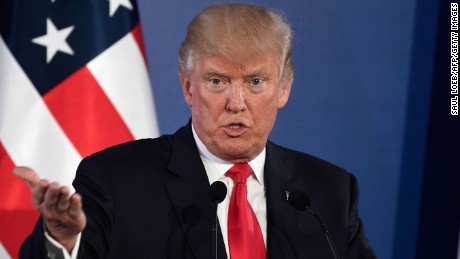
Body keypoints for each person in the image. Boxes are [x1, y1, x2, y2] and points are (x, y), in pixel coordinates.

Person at [15, 3, 377, 259]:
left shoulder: (327, 191)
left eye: (255, 81)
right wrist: (61, 241)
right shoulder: (116, 180)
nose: (237, 103)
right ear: (188, 87)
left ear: (284, 89)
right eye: (217, 81)